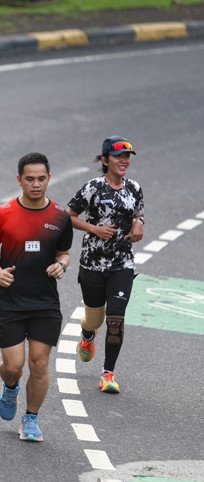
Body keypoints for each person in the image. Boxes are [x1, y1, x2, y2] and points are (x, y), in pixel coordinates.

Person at [0, 152, 73, 442]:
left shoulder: (60, 216)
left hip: (45, 302)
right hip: (10, 300)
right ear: (19, 180)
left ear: (49, 179)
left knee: (39, 363)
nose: (36, 184)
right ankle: (10, 387)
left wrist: (61, 265)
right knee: (13, 367)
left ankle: (31, 419)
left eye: (41, 179)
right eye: (30, 179)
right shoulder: (3, 213)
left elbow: (64, 253)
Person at [67, 136, 144, 394]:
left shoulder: (134, 188)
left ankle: (108, 373)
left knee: (115, 318)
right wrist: (94, 229)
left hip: (122, 262)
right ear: (104, 160)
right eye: (118, 156)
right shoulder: (93, 188)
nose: (124, 161)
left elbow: (139, 213)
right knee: (95, 318)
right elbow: (69, 216)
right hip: (92, 263)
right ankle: (87, 334)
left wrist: (139, 223)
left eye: (127, 157)